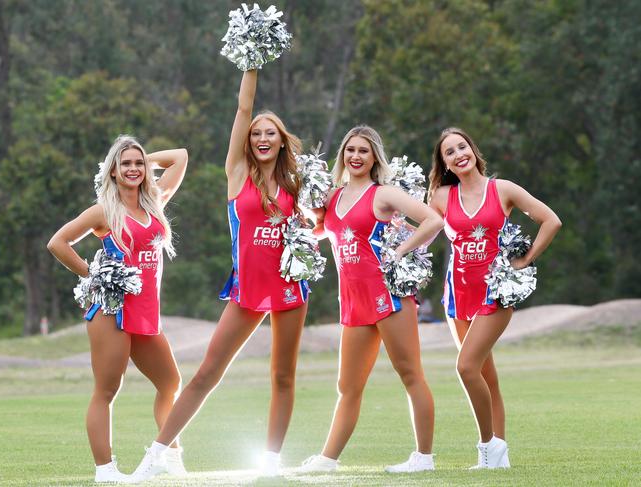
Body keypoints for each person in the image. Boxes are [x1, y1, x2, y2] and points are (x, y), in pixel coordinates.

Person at [129, 69, 309, 481]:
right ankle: (156, 456)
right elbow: (244, 107)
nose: (262, 138)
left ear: (281, 141)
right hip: (247, 289)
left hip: (290, 288)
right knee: (206, 374)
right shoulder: (237, 173)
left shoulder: (295, 184)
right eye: (257, 134)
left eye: (271, 134)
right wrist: (254, 63)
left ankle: (271, 463)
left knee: (283, 376)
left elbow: (317, 225)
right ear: (249, 141)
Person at [298, 126, 444, 474]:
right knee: (347, 387)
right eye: (350, 150)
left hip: (389, 298)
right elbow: (320, 232)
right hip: (352, 302)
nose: (356, 156)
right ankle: (327, 460)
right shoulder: (331, 198)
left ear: (374, 156)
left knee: (410, 375)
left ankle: (423, 458)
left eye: (364, 151)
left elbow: (433, 220)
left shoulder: (383, 194)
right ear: (342, 156)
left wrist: (398, 252)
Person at [47, 135, 188, 483]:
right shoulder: (104, 211)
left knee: (170, 382)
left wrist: (141, 156)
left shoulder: (155, 201)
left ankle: (169, 455)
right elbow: (57, 242)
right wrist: (93, 274)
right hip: (112, 310)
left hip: (146, 311)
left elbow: (180, 157)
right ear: (112, 171)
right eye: (125, 164)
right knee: (107, 390)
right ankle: (106, 471)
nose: (134, 168)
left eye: (138, 164)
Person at [428, 127, 561, 468]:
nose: (458, 154)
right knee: (486, 376)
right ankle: (498, 453)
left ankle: (487, 448)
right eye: (449, 152)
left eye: (462, 146)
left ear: (472, 149)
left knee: (466, 367)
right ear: (444, 163)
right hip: (456, 296)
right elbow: (423, 231)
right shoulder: (441, 196)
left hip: (495, 293)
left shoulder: (501, 189)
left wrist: (525, 259)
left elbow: (551, 220)